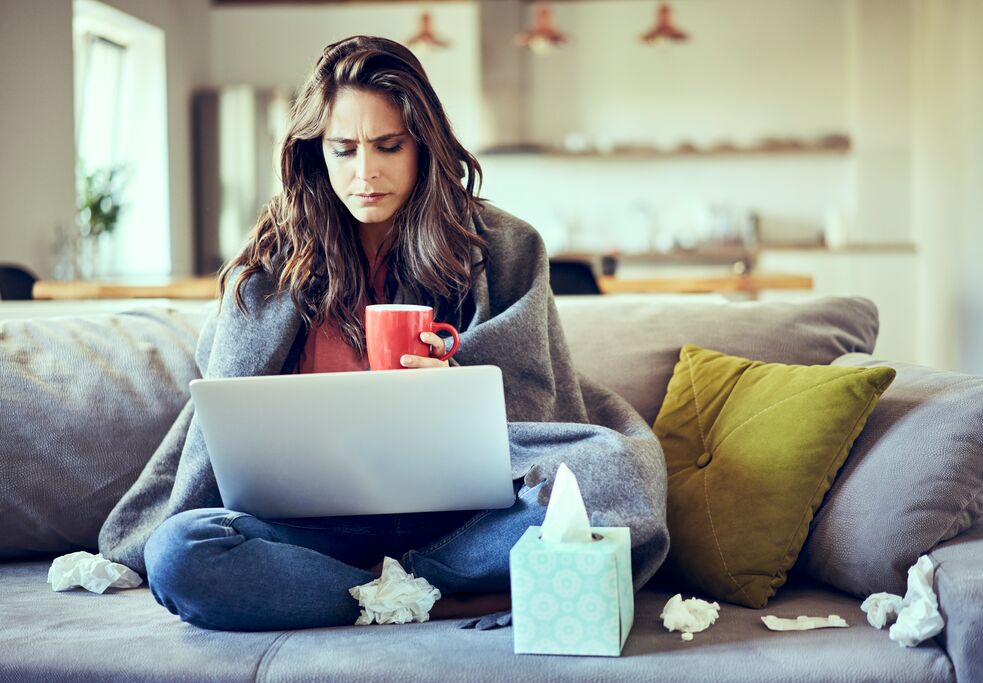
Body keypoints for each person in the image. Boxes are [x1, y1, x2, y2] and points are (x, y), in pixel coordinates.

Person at [98, 35, 670, 633]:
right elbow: (225, 404)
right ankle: (419, 597)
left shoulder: (504, 247)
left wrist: (461, 388)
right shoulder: (269, 265)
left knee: (617, 481)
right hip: (317, 534)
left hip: (464, 523)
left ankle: (399, 585)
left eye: (388, 146)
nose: (364, 173)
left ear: (424, 145)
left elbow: (537, 408)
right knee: (180, 553)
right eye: (342, 150)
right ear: (314, 153)